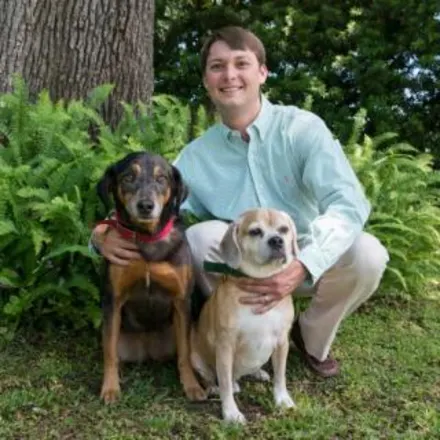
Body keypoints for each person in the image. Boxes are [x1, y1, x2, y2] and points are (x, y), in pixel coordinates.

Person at [91, 26, 389, 378]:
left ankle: (311, 337)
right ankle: (241, 339)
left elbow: (349, 204)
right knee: (199, 238)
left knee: (368, 254)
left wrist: (302, 265)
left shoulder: (303, 129)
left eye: (241, 63)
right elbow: (162, 217)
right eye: (217, 66)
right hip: (243, 268)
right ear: (206, 80)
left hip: (307, 257)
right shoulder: (196, 157)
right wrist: (101, 234)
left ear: (262, 72)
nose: (229, 75)